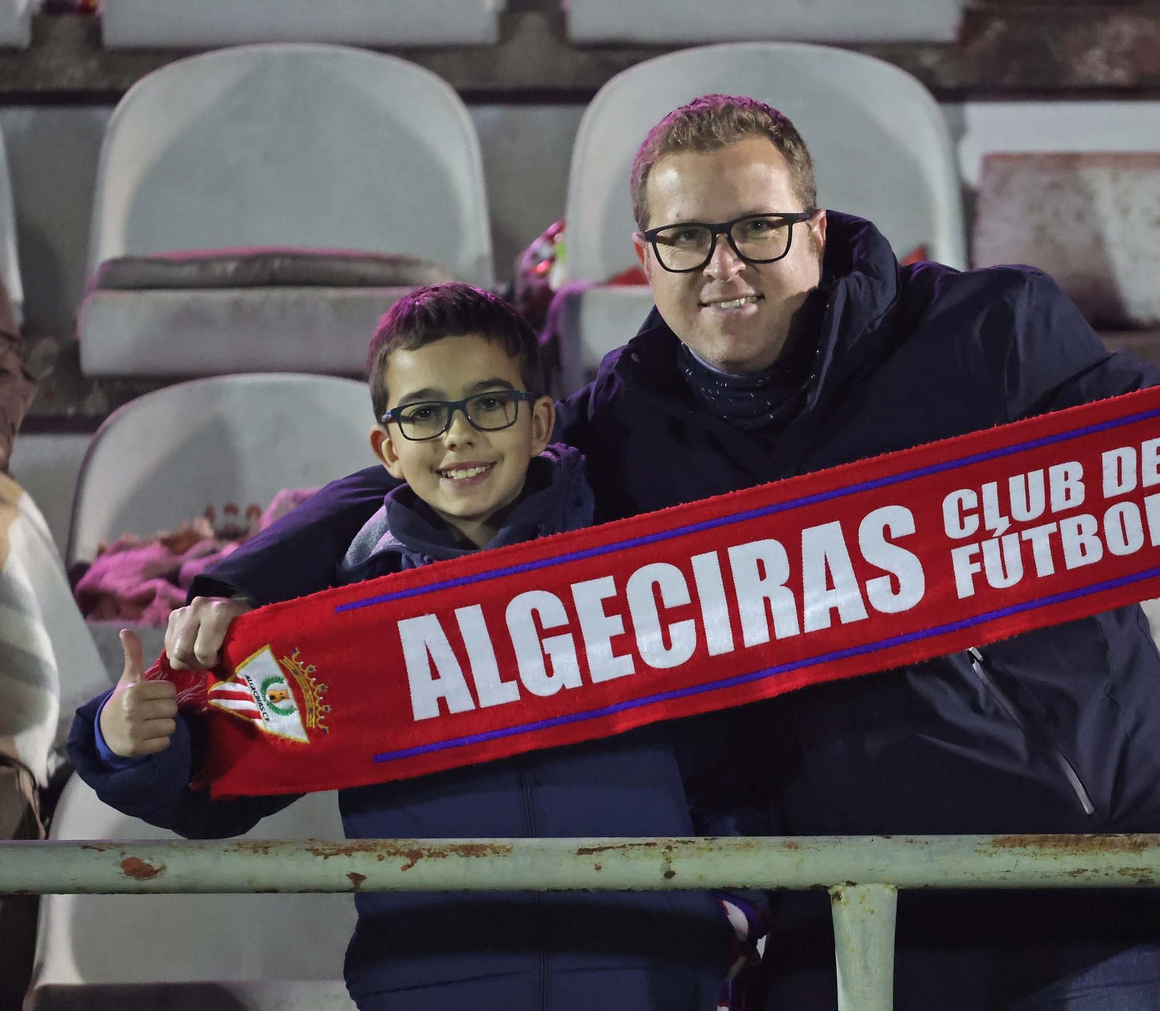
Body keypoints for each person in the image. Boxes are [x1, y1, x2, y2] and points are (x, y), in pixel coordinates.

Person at [179, 96, 1160, 1010]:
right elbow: (438, 458)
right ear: (643, 258)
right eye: (687, 240)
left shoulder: (993, 333)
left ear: (816, 229)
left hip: (1087, 898)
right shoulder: (621, 420)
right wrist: (242, 580)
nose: (725, 268)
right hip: (838, 913)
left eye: (758, 230)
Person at [67, 283, 733, 1011]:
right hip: (435, 986)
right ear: (386, 446)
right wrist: (123, 741)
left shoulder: (632, 574)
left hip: (651, 980)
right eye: (423, 413)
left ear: (541, 421)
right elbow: (221, 784)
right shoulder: (347, 616)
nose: (459, 435)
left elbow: (735, 747)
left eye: (489, 404)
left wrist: (738, 904)